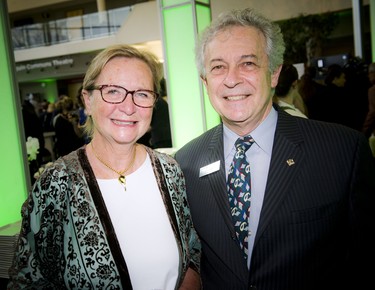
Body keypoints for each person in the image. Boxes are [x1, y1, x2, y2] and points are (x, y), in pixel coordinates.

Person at [174, 8, 375, 290]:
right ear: (206, 81)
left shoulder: (343, 151)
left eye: (247, 64)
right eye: (218, 67)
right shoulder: (184, 164)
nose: (231, 79)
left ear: (274, 73)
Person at [8, 44, 201, 289]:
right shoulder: (57, 183)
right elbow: (28, 280)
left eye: (142, 93)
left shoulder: (170, 171)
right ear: (87, 101)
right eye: (112, 91)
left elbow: (192, 246)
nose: (129, 107)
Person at [362, 62, 375, 138]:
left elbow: (372, 112)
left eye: (369, 73)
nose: (368, 76)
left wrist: (364, 130)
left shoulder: (372, 90)